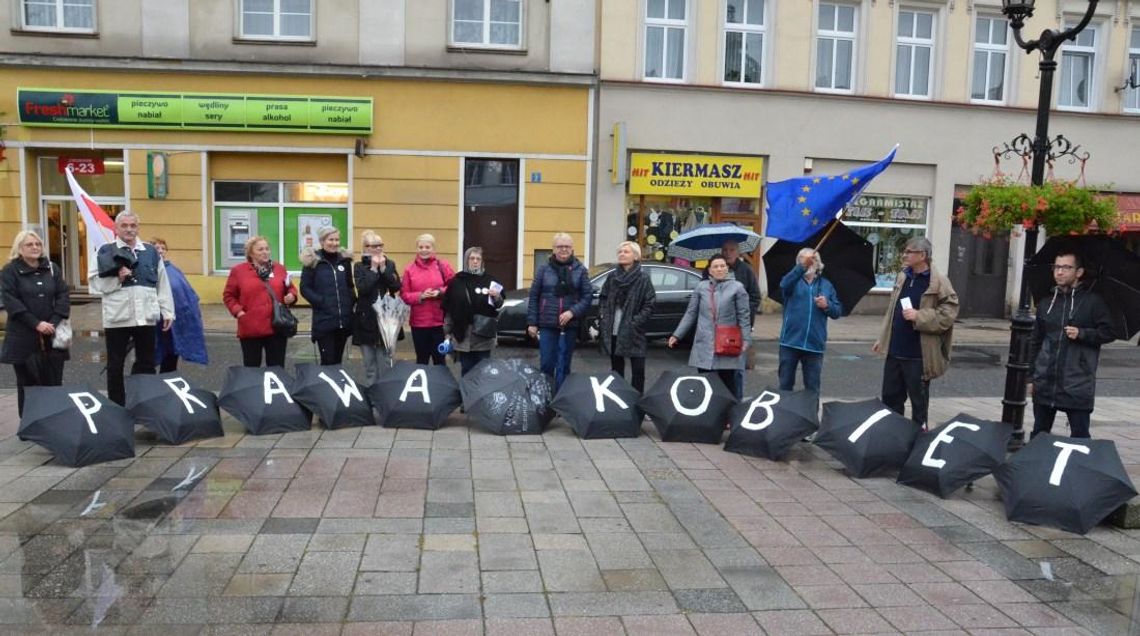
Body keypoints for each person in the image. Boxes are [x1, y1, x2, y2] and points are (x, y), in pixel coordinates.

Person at [89, 211, 174, 406]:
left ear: (138, 227)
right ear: (116, 228)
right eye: (124, 225)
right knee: (115, 365)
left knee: (147, 363)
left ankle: (145, 403)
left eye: (133, 225)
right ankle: (117, 406)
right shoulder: (104, 251)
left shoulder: (151, 252)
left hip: (146, 316)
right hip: (118, 317)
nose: (129, 229)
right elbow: (94, 285)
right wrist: (117, 278)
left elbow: (162, 283)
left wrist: (168, 311)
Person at [872, 237, 958, 429]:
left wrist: (920, 316)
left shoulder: (938, 282)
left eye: (909, 252)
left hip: (919, 354)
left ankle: (919, 437)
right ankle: (894, 434)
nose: (905, 255)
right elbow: (891, 311)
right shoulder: (903, 276)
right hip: (895, 350)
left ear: (923, 255)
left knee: (919, 403)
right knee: (891, 398)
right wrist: (883, 339)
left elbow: (949, 314)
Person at [1029, 250, 1115, 439]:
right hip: (1046, 381)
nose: (1059, 272)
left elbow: (1109, 332)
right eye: (1057, 267)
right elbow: (1035, 341)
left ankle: (1082, 468)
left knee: (1080, 436)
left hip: (1077, 382)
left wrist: (1083, 333)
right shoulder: (1046, 303)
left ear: (1079, 272)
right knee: (1039, 434)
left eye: (1066, 267)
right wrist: (1031, 377)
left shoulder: (1093, 302)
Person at [1, 231, 69, 415]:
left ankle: (52, 417)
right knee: (28, 380)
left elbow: (63, 295)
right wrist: (36, 323)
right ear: (19, 249)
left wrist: (53, 321)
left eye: (37, 244)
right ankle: (29, 421)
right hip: (24, 335)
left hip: (52, 334)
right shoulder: (10, 271)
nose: (35, 248)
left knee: (53, 379)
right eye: (29, 245)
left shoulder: (52, 268)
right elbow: (11, 300)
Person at [668, 253, 750, 399]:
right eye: (715, 266)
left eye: (722, 266)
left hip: (727, 344)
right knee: (707, 386)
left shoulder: (737, 288)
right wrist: (677, 335)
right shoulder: (701, 287)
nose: (719, 269)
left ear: (727, 268)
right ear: (710, 270)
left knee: (728, 387)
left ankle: (729, 418)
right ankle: (710, 418)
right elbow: (690, 313)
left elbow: (744, 316)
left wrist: (746, 340)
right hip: (704, 343)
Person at [527, 232, 592, 392]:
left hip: (569, 325)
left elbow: (587, 296)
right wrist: (532, 323)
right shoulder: (543, 269)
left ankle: (560, 400)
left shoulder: (580, 270)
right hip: (547, 324)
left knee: (564, 364)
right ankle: (546, 398)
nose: (564, 249)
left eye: (567, 246)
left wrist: (572, 312)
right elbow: (534, 296)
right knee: (547, 363)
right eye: (560, 246)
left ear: (572, 249)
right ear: (553, 249)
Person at [223, 236, 298, 367]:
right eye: (260, 249)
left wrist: (291, 295)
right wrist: (239, 313)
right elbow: (229, 296)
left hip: (277, 326)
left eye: (267, 249)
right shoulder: (239, 271)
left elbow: (290, 288)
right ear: (250, 253)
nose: (265, 252)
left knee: (277, 368)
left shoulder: (279, 268)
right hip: (251, 327)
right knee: (252, 368)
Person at [778, 248, 843, 393]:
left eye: (810, 260)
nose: (807, 263)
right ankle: (783, 414)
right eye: (802, 259)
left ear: (818, 264)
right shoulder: (792, 281)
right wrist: (801, 268)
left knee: (812, 388)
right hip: (790, 342)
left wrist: (827, 306)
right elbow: (783, 285)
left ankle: (810, 415)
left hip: (814, 345)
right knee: (785, 386)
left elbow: (837, 311)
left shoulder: (826, 285)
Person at [598, 241, 656, 392]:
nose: (622, 254)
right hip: (614, 328)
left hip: (634, 331)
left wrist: (635, 322)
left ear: (636, 256)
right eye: (620, 252)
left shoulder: (643, 279)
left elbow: (649, 304)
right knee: (616, 368)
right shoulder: (612, 277)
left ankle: (636, 403)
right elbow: (603, 297)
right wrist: (604, 315)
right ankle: (619, 400)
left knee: (638, 370)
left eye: (626, 251)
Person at [710, 239, 761, 394]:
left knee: (736, 368)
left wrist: (742, 311)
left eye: (732, 250)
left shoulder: (745, 270)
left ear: (738, 252)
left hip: (737, 328)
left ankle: (736, 401)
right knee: (716, 367)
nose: (728, 253)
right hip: (716, 327)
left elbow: (755, 297)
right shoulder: (712, 269)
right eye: (725, 250)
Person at [443, 247, 503, 375]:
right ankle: (466, 395)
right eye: (472, 258)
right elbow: (449, 308)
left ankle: (480, 395)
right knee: (466, 370)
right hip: (464, 334)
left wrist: (496, 296)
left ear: (482, 261)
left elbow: (499, 304)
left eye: (478, 259)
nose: (475, 261)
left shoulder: (490, 280)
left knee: (483, 371)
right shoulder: (457, 281)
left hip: (484, 334)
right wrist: (447, 332)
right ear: (466, 260)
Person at [301, 226, 356, 365]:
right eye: (330, 239)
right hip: (324, 320)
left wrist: (350, 302)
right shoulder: (313, 261)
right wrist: (321, 302)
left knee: (338, 361)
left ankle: (337, 386)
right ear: (322, 241)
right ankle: (327, 386)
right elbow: (305, 288)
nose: (334, 243)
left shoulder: (344, 261)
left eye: (337, 239)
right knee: (328, 361)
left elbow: (350, 285)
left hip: (343, 321)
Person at [352, 230, 401, 385]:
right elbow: (363, 289)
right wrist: (373, 269)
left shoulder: (390, 263)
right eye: (374, 246)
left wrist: (383, 269)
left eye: (380, 245)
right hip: (366, 318)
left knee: (387, 362)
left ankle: (386, 396)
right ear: (366, 247)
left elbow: (396, 285)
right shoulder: (359, 266)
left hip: (387, 319)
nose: (378, 248)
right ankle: (372, 397)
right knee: (370, 364)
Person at [151, 238, 207, 372]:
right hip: (155, 320)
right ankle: (148, 385)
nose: (160, 251)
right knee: (151, 356)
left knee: (171, 354)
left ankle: (168, 382)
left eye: (163, 248)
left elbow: (187, 293)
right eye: (157, 248)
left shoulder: (174, 270)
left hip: (173, 321)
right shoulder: (148, 269)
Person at [401, 234, 455, 365]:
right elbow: (404, 294)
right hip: (419, 324)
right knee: (422, 361)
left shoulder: (443, 266)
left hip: (439, 323)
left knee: (440, 360)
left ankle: (440, 385)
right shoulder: (409, 270)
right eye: (420, 247)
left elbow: (454, 287)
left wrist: (439, 292)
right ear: (416, 249)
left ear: (434, 249)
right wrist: (420, 296)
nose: (424, 250)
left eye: (427, 247)